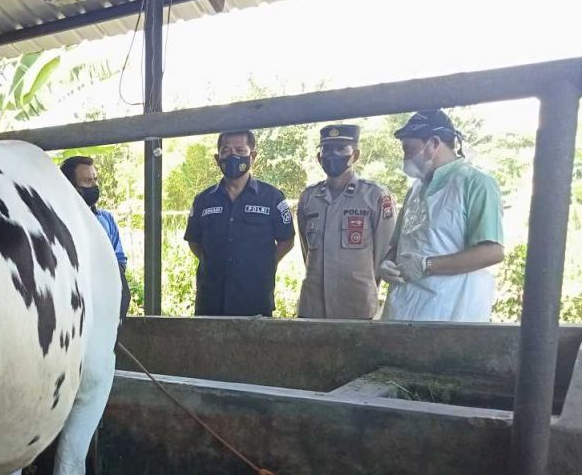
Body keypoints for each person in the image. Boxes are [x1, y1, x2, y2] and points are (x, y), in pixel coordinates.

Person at [380, 110, 505, 322]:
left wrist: (427, 265)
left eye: (409, 149)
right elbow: (399, 246)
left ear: (434, 143)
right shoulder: (415, 190)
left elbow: (492, 252)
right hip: (403, 311)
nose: (405, 158)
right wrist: (386, 264)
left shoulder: (475, 183)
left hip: (451, 314)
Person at [183, 130, 295, 316]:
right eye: (226, 151)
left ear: (253, 156)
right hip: (211, 302)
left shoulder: (272, 198)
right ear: (217, 158)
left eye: (240, 151)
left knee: (254, 346)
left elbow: (287, 240)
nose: (233, 156)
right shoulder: (203, 200)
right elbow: (194, 241)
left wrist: (265, 264)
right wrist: (214, 262)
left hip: (254, 300)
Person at [296, 124, 396, 319]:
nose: (332, 155)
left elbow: (386, 252)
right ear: (319, 158)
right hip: (314, 307)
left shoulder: (374, 196)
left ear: (355, 155)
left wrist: (369, 284)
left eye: (341, 149)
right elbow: (306, 250)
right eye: (327, 150)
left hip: (356, 305)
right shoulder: (309, 197)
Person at [60, 155, 131, 317]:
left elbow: (120, 258)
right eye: (87, 181)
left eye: (95, 179)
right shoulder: (60, 221)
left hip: (106, 301)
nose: (94, 185)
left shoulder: (106, 219)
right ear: (71, 186)